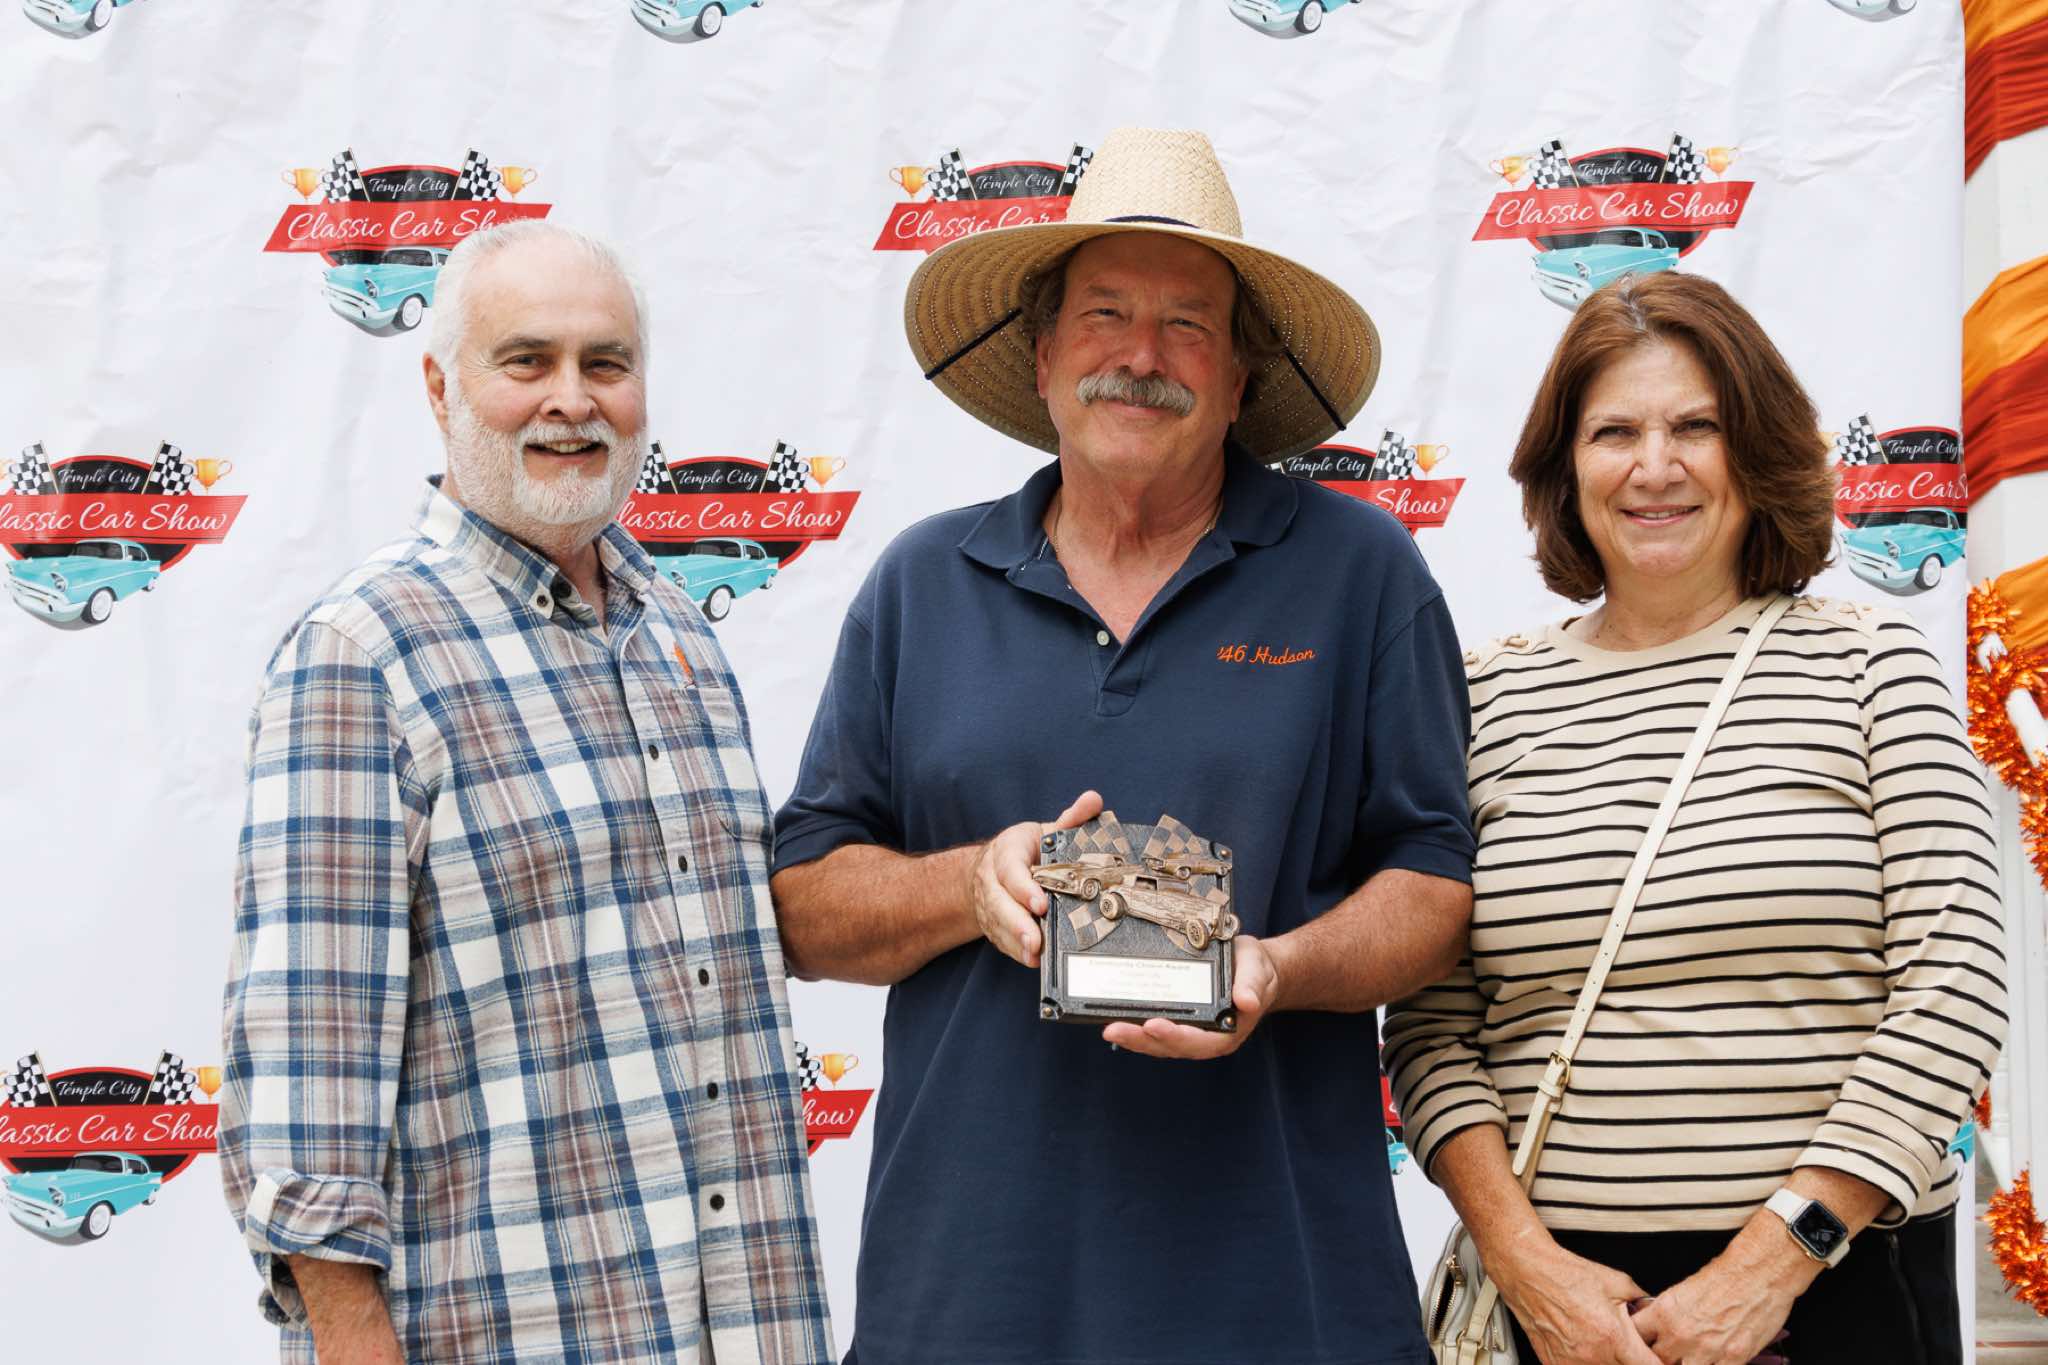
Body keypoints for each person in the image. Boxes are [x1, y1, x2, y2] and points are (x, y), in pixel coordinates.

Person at [771, 127, 1476, 1364]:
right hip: (969, 1301)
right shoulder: (920, 585)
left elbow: (1432, 886)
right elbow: (803, 908)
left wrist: (1277, 968)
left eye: (1186, 325)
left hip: (1282, 1303)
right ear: (1042, 357)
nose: (1139, 357)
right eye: (1103, 313)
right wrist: (968, 882)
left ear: (1241, 378)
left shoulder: (1362, 574)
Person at [218, 220, 832, 1365]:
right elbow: (307, 1085)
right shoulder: (363, 654)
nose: (572, 400)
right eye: (526, 361)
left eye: (606, 364)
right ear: (439, 387)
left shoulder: (681, 643)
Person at [1383, 271, 2005, 1365]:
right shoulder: (1482, 699)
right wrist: (1526, 1266)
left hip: (1833, 1286)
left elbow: (1954, 988)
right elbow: (1433, 1027)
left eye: (1696, 427)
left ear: (1756, 451)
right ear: (1563, 468)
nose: (1654, 465)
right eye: (1613, 432)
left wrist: (1771, 1263)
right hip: (1565, 1312)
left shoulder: (1870, 665)